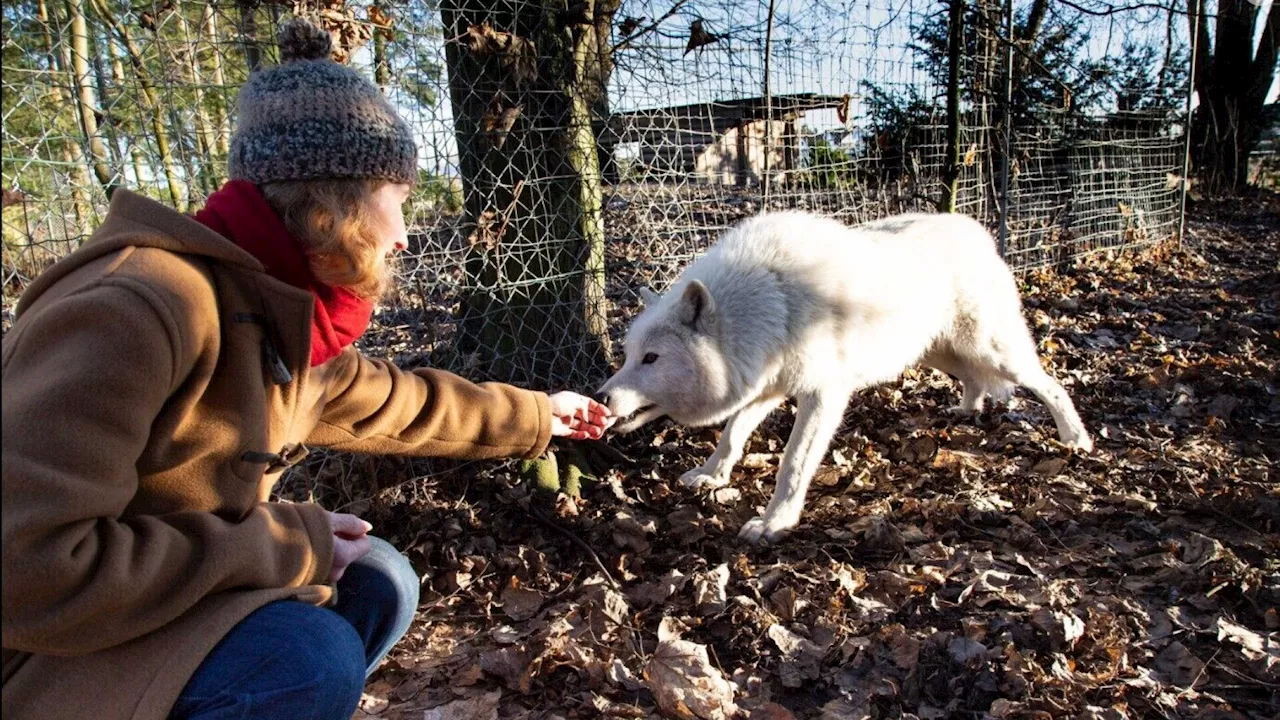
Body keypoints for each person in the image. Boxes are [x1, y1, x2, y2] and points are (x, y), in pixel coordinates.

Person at [0, 17, 611, 720]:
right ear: (334, 204)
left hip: (138, 611)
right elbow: (27, 570)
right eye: (398, 200)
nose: (407, 235)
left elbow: (395, 400)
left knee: (381, 580)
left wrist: (540, 414)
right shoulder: (137, 311)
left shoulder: (271, 308)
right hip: (44, 656)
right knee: (303, 657)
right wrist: (286, 544)